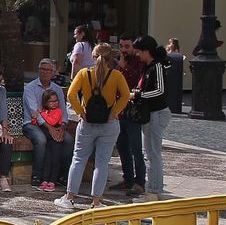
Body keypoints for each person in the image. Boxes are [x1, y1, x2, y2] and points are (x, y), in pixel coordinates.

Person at [55, 43, 131, 210]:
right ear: (111, 58)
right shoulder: (116, 75)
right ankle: (96, 201)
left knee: (78, 159)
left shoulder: (84, 73)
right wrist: (114, 112)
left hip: (87, 122)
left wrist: (80, 112)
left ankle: (69, 197)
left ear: (93, 57)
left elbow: (71, 94)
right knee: (102, 163)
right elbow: (126, 95)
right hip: (108, 123)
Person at [132, 35, 171, 197]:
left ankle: (154, 190)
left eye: (138, 51)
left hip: (156, 113)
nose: (137, 55)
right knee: (149, 152)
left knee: (153, 153)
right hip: (149, 114)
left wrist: (138, 95)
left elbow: (160, 90)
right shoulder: (147, 67)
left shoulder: (157, 67)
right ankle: (152, 190)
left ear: (146, 51)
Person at [114, 36, 147, 196]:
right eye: (121, 46)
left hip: (133, 111)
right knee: (122, 146)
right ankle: (127, 178)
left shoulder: (139, 62)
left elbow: (136, 81)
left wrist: (124, 67)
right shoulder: (119, 62)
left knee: (136, 148)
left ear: (133, 47)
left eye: (127, 46)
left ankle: (139, 182)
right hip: (120, 110)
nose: (123, 50)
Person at [20, 59, 60, 188]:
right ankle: (37, 176)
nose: (45, 72)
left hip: (54, 124)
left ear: (53, 72)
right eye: (42, 69)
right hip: (32, 124)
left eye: (48, 70)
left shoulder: (57, 89)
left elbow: (63, 111)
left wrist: (63, 127)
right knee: (41, 140)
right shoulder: (30, 88)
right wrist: (50, 128)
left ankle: (60, 176)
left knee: (67, 140)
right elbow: (35, 113)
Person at [35, 88, 70, 191]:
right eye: (51, 101)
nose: (54, 103)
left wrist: (41, 114)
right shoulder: (45, 111)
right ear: (46, 102)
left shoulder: (58, 111)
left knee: (55, 158)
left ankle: (53, 181)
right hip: (48, 138)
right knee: (48, 159)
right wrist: (36, 116)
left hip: (56, 137)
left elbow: (52, 122)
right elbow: (36, 121)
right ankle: (45, 179)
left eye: (56, 101)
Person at [163, 38, 185, 115]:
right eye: (169, 43)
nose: (169, 44)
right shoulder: (167, 52)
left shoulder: (177, 53)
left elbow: (179, 61)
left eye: (171, 43)